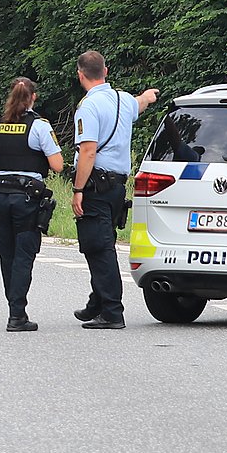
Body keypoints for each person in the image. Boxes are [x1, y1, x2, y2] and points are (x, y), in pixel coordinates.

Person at [70, 50, 158, 329]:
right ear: (105, 71)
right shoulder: (122, 99)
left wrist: (78, 189)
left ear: (80, 75)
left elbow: (88, 151)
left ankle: (111, 311)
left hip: (95, 184)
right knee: (101, 241)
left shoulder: (88, 107)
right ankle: (96, 303)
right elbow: (139, 103)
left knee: (98, 248)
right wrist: (148, 96)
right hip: (117, 187)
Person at [0, 77, 63, 331]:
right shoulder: (39, 126)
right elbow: (57, 165)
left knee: (6, 253)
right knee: (24, 254)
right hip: (27, 198)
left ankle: (14, 307)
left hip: (1, 195)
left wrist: (7, 159)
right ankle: (17, 315)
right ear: (33, 98)